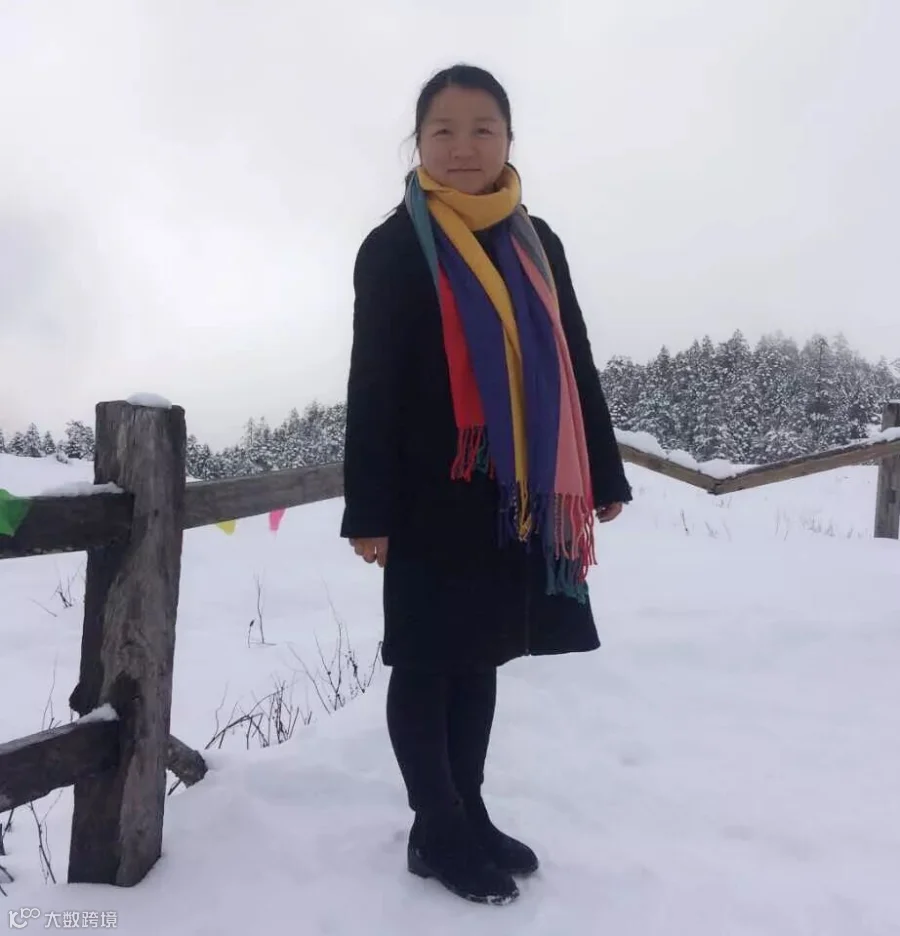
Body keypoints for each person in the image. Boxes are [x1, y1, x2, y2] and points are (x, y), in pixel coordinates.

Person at [340, 64, 631, 906]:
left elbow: (572, 358)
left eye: (482, 129)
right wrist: (370, 509)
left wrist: (600, 469)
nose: (462, 147)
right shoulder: (395, 247)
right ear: (418, 141)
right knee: (427, 659)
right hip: (428, 493)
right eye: (443, 130)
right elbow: (373, 383)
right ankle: (435, 827)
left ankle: (467, 809)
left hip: (514, 493)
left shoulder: (537, 242)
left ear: (508, 140)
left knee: (479, 654)